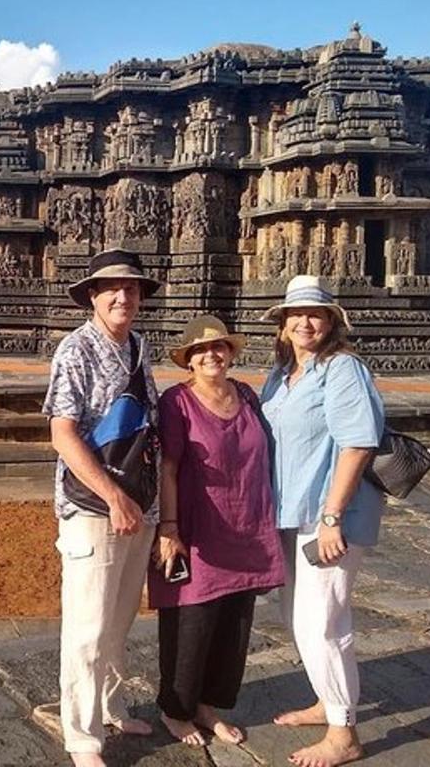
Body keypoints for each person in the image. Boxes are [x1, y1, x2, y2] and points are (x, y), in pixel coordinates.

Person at [259, 275, 385, 767]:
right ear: (283, 325)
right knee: (303, 618)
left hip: (330, 516)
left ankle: (344, 735)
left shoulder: (342, 368)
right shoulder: (283, 375)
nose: (305, 322)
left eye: (315, 314)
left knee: (320, 624)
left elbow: (358, 443)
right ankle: (328, 701)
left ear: (331, 322)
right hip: (294, 513)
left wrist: (333, 516)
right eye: (296, 314)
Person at [42, 249, 162, 767]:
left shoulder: (138, 346)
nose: (123, 297)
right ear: (92, 295)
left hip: (139, 502)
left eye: (131, 289)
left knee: (119, 620)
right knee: (88, 626)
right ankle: (83, 738)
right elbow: (62, 433)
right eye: (112, 288)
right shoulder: (76, 350)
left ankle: (111, 706)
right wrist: (113, 496)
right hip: (93, 504)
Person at [150, 315, 285, 747]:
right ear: (189, 360)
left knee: (234, 622)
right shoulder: (177, 402)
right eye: (201, 351)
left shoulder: (245, 394)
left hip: (247, 524)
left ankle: (207, 705)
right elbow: (168, 468)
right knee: (193, 620)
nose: (212, 355)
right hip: (198, 527)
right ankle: (176, 709)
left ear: (230, 353)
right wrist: (169, 529)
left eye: (219, 347)